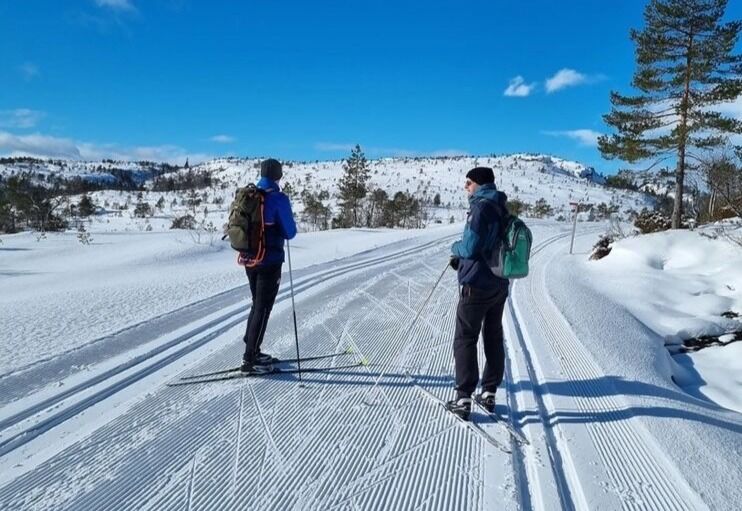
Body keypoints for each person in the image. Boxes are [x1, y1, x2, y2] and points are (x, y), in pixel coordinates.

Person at [446, 166, 510, 420]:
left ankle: (463, 397)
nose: (466, 187)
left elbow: (471, 246)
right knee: (493, 336)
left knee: (465, 338)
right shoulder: (501, 205)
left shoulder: (481, 207)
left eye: (468, 182)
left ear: (479, 184)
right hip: (499, 283)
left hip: (477, 283)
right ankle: (489, 392)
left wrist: (456, 249)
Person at [240, 158, 297, 374]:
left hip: (249, 260)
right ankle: (250, 359)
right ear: (278, 175)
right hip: (269, 261)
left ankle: (252, 347)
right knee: (263, 308)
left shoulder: (250, 195)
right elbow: (290, 232)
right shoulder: (277, 198)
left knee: (257, 305)